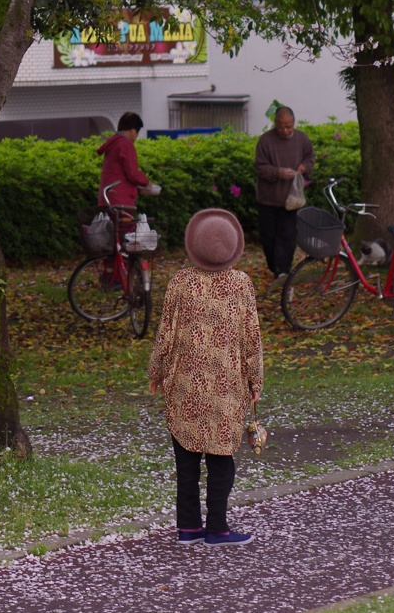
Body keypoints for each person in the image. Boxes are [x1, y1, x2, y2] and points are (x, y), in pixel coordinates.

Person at [149, 208, 262, 548]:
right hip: (226, 387)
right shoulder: (241, 284)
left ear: (194, 247)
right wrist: (255, 380)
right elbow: (251, 338)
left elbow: (165, 334)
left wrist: (156, 371)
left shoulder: (180, 282)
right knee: (221, 458)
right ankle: (218, 528)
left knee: (186, 459)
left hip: (185, 383)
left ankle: (188, 528)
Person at [255, 106, 314, 292]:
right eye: (281, 127)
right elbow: (260, 166)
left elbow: (310, 157)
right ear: (275, 124)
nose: (285, 130)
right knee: (269, 237)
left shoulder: (302, 139)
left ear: (294, 123)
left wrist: (304, 167)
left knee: (288, 235)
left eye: (289, 126)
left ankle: (284, 270)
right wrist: (278, 172)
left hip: (292, 199)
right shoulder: (265, 141)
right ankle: (275, 267)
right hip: (268, 199)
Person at [96, 112, 161, 225]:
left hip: (107, 197)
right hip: (120, 199)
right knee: (125, 234)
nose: (136, 136)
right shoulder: (125, 144)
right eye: (137, 132)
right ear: (132, 130)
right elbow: (132, 173)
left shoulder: (114, 143)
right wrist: (147, 183)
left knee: (112, 235)